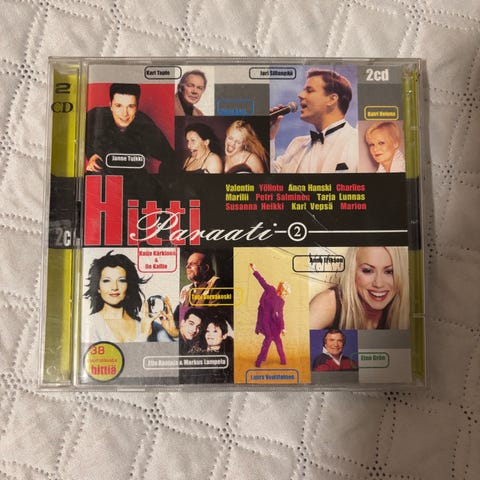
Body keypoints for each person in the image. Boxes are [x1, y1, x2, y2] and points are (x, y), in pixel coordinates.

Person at [270, 69, 358, 173]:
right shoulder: (296, 144)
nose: (300, 95)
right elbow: (266, 173)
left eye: (309, 90)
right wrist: (269, 137)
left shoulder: (356, 142)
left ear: (332, 99)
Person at [83, 251, 178, 342]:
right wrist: (144, 335)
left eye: (121, 280)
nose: (114, 287)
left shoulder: (149, 325)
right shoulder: (90, 325)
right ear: (98, 287)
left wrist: (175, 334)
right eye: (106, 281)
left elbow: (174, 352)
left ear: (128, 285)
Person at [309, 247, 409, 330]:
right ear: (352, 271)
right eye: (367, 270)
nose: (379, 284)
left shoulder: (408, 307)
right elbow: (299, 344)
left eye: (389, 271)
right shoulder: (328, 303)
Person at [85, 83, 175, 174]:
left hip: (134, 179)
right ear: (110, 105)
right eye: (118, 106)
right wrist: (92, 155)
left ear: (137, 107)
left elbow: (171, 158)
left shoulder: (145, 125)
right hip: (103, 177)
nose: (124, 113)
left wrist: (163, 179)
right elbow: (81, 140)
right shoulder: (95, 117)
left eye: (131, 106)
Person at [250, 263, 291, 368]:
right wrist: (255, 270)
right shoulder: (270, 290)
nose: (284, 294)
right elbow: (262, 281)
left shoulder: (281, 301)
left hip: (274, 323)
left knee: (277, 340)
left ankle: (283, 360)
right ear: (281, 288)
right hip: (265, 320)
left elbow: (281, 315)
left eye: (286, 293)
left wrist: (283, 328)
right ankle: (259, 361)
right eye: (285, 292)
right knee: (268, 339)